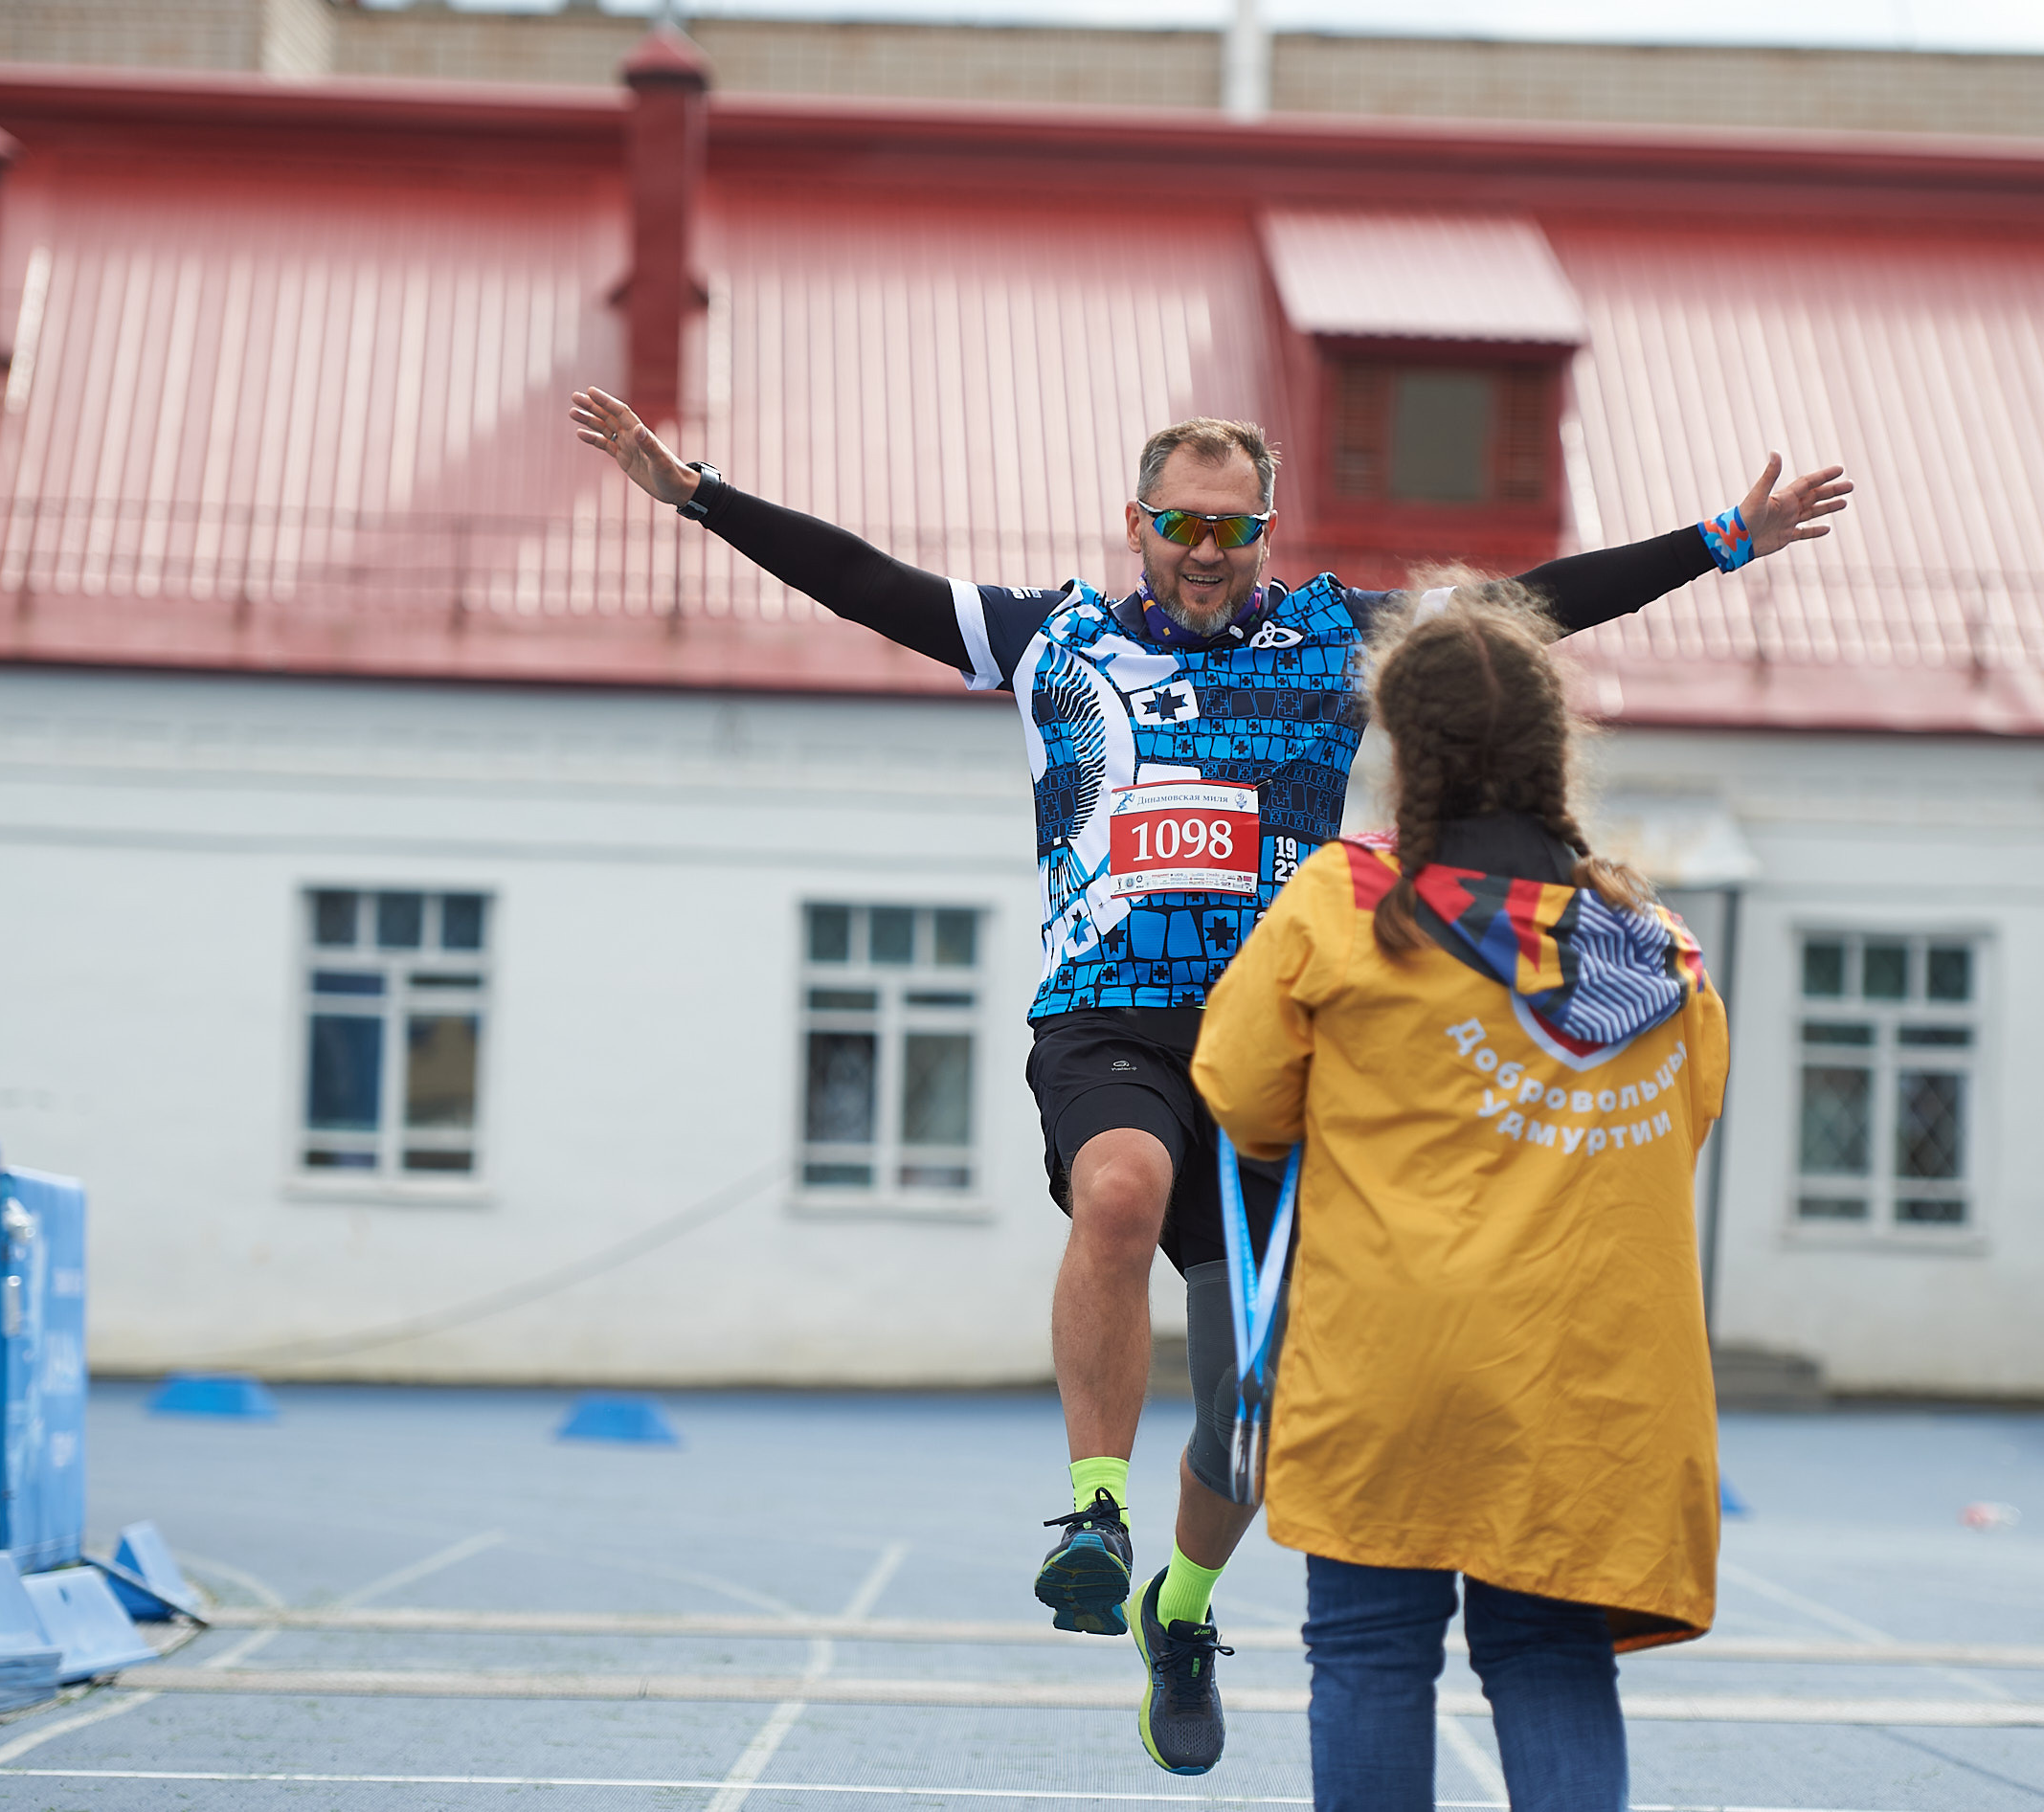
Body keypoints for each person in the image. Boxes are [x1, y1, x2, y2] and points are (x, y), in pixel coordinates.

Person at [567, 384, 1839, 1662]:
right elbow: (863, 579)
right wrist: (695, 496)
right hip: (1105, 1020)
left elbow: (1529, 606)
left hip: (1279, 1046)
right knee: (1118, 1189)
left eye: (1236, 530)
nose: (1207, 551)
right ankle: (1094, 1514)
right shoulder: (1046, 642)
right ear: (1139, 522)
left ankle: (1180, 1609)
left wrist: (1723, 536)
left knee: (1248, 1403)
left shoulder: (1338, 641)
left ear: (1267, 536)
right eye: (1184, 523)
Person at [1182, 583, 1729, 1808]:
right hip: (1586, 1384)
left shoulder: (1346, 906)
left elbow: (1242, 1094)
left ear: (1402, 748)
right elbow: (1681, 1127)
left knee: (1372, 1655)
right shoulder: (1661, 955)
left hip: (1392, 1367)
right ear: (1552, 747)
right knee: (1547, 1660)